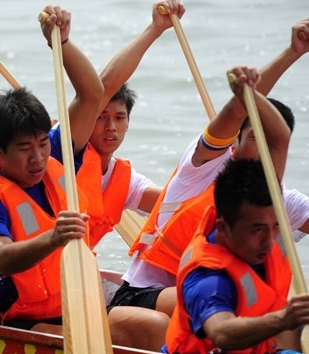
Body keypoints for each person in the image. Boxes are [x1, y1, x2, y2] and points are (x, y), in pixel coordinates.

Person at [119, 22, 309, 318]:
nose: (264, 151)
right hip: (147, 295)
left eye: (273, 144)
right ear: (234, 144)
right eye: (255, 139)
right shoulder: (204, 166)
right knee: (225, 302)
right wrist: (291, 53)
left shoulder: (281, 200)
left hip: (218, 301)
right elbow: (237, 110)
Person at [0, 6, 104, 332]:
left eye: (42, 143)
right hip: (18, 325)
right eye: (25, 148)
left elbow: (92, 95)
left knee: (141, 326)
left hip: (71, 308)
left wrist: (61, 44)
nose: (38, 157)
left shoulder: (57, 155)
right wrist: (54, 238)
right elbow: (2, 257)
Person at [165, 158, 308, 354]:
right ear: (222, 228)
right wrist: (283, 319)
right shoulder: (208, 278)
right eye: (257, 230)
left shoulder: (259, 233)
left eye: (277, 226)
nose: (270, 241)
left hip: (259, 351)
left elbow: (276, 144)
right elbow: (221, 333)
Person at [79, 0, 185, 249]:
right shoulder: (65, 150)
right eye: (101, 117)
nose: (111, 127)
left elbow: (172, 203)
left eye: (119, 118)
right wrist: (155, 29)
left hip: (70, 268)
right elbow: (104, 86)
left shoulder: (124, 180)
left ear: (128, 123)